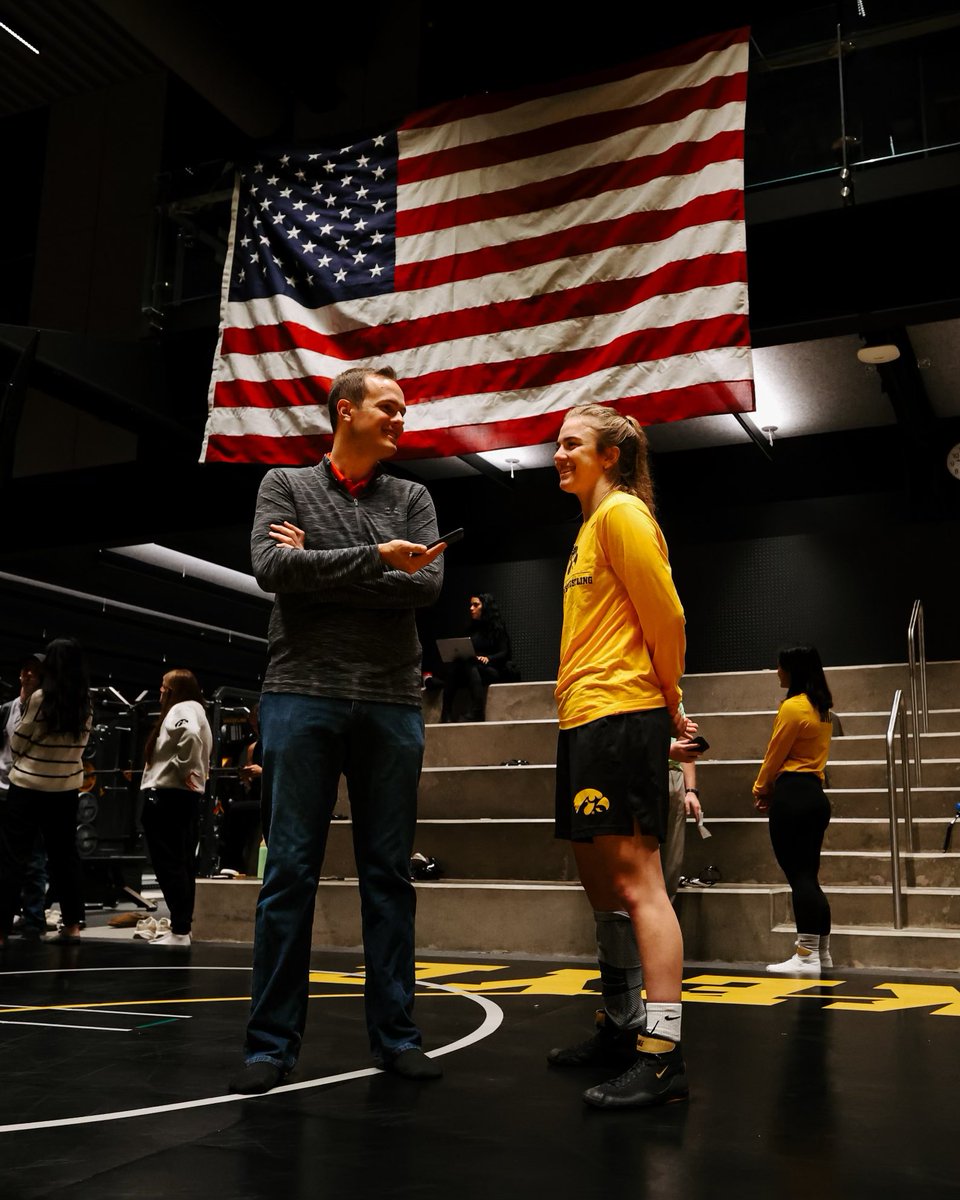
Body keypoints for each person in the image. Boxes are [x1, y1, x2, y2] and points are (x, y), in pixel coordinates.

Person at [229, 363, 445, 1095]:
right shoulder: (283, 486)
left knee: (388, 878)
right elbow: (269, 568)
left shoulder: (414, 496)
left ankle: (398, 1036)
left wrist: (316, 562)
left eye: (404, 409)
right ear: (345, 411)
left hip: (390, 701)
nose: (401, 419)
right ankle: (269, 1046)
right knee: (288, 874)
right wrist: (377, 559)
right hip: (300, 694)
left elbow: (426, 585)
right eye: (389, 407)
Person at [548, 403, 695, 1111]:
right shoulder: (586, 529)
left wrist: (669, 701)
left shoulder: (623, 517)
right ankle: (620, 1022)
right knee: (602, 891)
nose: (558, 452)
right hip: (582, 719)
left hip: (623, 713)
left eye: (571, 442)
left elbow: (667, 616)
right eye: (556, 442)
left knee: (641, 888)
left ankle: (661, 1053)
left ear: (609, 455)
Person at [0, 638, 92, 946]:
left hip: (28, 787)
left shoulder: (41, 698)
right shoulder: (84, 702)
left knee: (14, 857)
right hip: (65, 789)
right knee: (66, 858)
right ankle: (73, 926)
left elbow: (18, 741)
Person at [753, 645, 834, 975]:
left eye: (780, 666)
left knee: (799, 877)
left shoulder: (792, 708)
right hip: (814, 795)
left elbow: (775, 755)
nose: (776, 671)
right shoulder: (821, 708)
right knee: (809, 878)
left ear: (793, 671)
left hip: (793, 796)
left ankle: (805, 955)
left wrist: (761, 788)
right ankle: (822, 953)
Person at [139, 669, 213, 947]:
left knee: (169, 864)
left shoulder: (181, 709)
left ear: (176, 690)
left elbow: (190, 736)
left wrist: (184, 768)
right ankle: (181, 928)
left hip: (168, 797)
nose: (160, 691)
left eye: (164, 687)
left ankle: (181, 930)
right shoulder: (196, 709)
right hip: (182, 798)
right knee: (181, 864)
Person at [0, 652, 53, 938]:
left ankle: (33, 919)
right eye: (25, 669)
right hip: (4, 789)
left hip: (32, 790)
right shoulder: (8, 709)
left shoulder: (47, 709)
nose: (27, 674)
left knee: (33, 861)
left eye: (34, 670)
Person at [440, 592, 516, 722]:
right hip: (472, 669)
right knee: (458, 663)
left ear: (485, 607)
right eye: (471, 605)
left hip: (491, 669)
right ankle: (446, 713)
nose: (471, 608)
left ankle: (477, 711)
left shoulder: (497, 628)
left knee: (468, 663)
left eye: (475, 605)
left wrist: (489, 658)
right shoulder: (471, 629)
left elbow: (505, 652)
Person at [663, 725, 703, 903]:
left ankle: (663, 921)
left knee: (671, 861)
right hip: (640, 772)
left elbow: (685, 745)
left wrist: (691, 791)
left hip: (673, 775)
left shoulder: (674, 700)